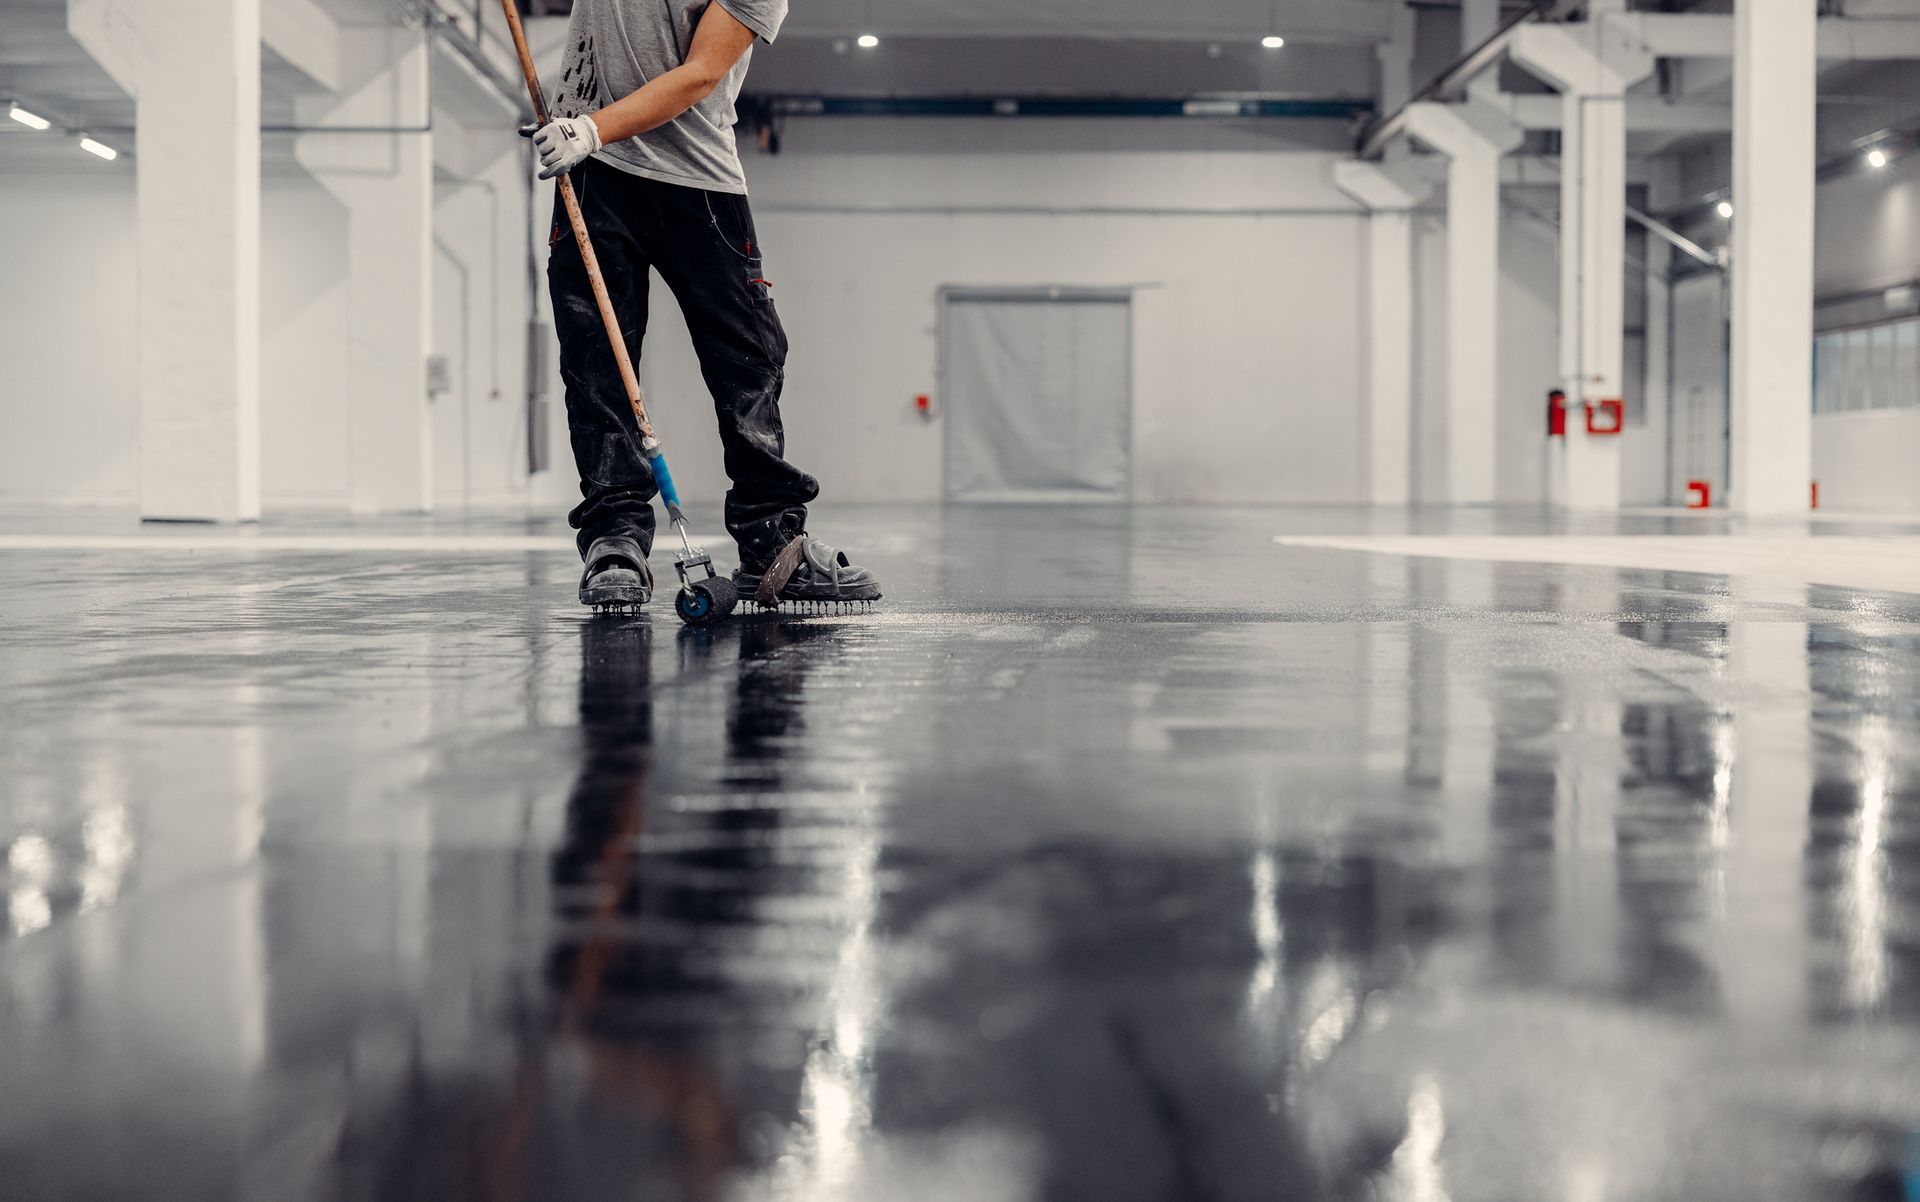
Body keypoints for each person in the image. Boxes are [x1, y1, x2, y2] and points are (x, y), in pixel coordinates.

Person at [528, 0, 882, 611]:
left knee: (748, 362)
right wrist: (585, 134)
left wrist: (589, 129)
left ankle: (771, 540)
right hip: (594, 175)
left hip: (696, 178)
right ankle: (615, 538)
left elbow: (700, 74)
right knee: (595, 364)